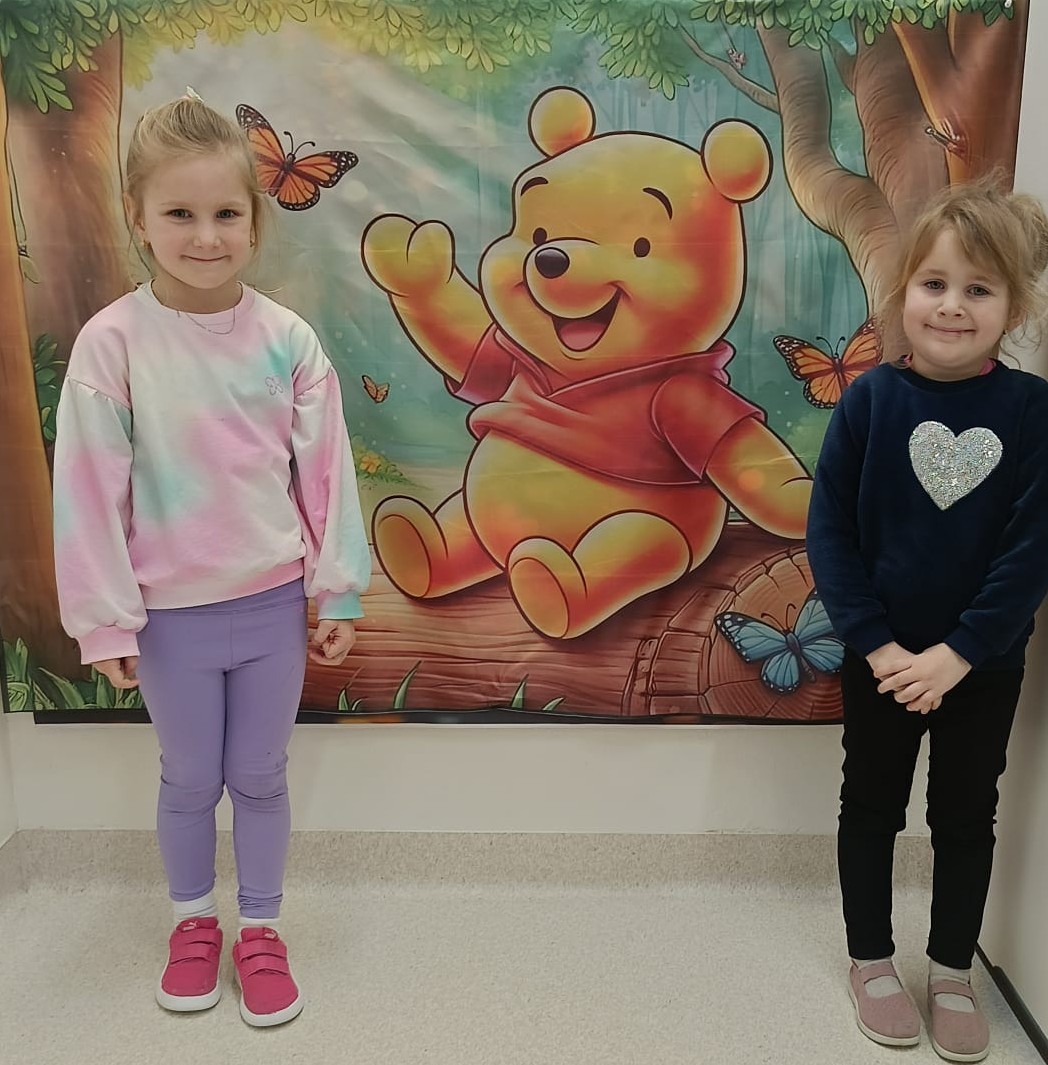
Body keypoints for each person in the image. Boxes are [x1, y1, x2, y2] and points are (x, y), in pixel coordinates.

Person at [52, 92, 370, 1027]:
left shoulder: (289, 341)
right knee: (190, 777)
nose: (204, 236)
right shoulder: (112, 344)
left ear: (256, 219)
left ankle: (261, 929)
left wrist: (337, 591)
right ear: (138, 217)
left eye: (226, 212)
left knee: (261, 776)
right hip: (169, 621)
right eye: (180, 213)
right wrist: (104, 620)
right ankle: (193, 924)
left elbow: (327, 475)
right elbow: (88, 491)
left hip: (270, 609)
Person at [807, 179, 1048, 1063]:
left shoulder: (1032, 412)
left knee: (965, 813)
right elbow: (830, 532)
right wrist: (878, 645)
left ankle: (951, 969)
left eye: (978, 289)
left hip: (982, 665)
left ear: (1013, 307)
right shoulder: (869, 400)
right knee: (871, 804)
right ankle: (871, 959)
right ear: (903, 291)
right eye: (935, 283)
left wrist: (959, 653)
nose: (952, 305)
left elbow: (1031, 550)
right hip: (880, 661)